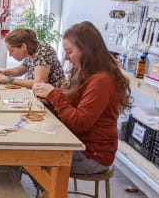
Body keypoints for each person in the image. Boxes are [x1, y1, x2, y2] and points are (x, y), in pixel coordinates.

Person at [33, 21, 131, 175]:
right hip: (81, 145)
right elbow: (72, 104)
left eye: (70, 51)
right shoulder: (86, 73)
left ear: (86, 51)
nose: (66, 57)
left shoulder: (101, 81)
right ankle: (47, 195)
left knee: (27, 156)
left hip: (92, 156)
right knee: (30, 144)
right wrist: (50, 98)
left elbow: (78, 122)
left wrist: (54, 95)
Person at [0, 28, 65, 89]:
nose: (10, 55)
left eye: (12, 51)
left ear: (24, 47)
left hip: (55, 100)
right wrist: (4, 72)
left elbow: (38, 82)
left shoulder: (43, 51)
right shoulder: (30, 52)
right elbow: (19, 70)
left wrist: (7, 79)